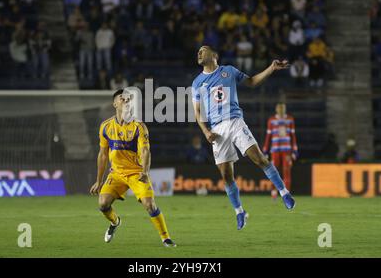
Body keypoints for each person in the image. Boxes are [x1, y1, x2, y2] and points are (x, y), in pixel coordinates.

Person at [192, 46, 295, 231]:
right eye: (198, 51)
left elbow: (252, 81)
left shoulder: (229, 71)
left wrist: (271, 68)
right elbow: (197, 112)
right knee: (226, 175)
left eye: (203, 50)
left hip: (235, 121)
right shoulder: (197, 82)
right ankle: (239, 211)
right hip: (216, 129)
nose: (199, 53)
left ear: (215, 55)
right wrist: (206, 131)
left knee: (259, 158)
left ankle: (284, 192)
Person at [89, 89, 176, 247]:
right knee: (102, 204)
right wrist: (98, 181)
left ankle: (166, 238)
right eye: (122, 98)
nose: (126, 101)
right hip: (116, 174)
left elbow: (145, 151)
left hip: (136, 173)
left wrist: (145, 171)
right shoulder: (105, 127)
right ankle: (115, 222)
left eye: (128, 99)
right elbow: (102, 155)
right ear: (115, 103)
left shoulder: (139, 126)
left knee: (149, 205)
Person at [262, 102, 299, 199]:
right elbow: (268, 136)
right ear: (276, 109)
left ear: (285, 109)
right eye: (279, 108)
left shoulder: (290, 120)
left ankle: (287, 195)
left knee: (286, 171)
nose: (281, 110)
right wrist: (265, 150)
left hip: (286, 150)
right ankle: (274, 191)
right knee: (274, 171)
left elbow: (293, 136)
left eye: (283, 108)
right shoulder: (272, 120)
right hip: (275, 150)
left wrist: (295, 150)